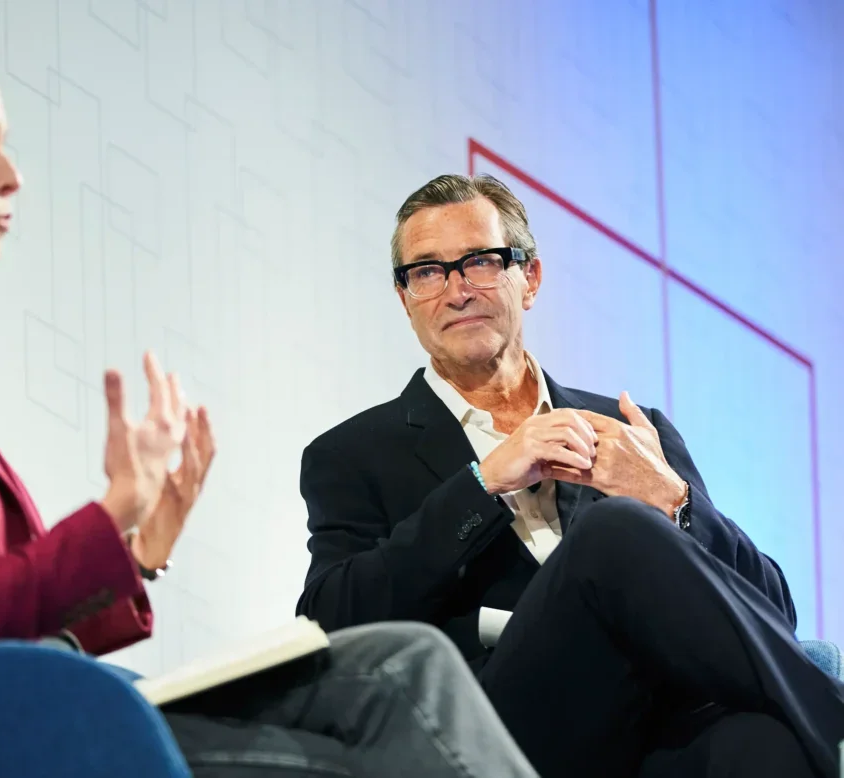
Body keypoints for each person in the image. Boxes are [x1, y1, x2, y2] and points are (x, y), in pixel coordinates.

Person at [0, 30, 538, 778]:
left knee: (403, 660)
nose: (12, 175)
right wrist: (114, 508)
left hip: (34, 696)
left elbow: (10, 634)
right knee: (382, 701)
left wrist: (139, 548)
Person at [295, 172, 844, 778]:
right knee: (612, 532)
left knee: (766, 741)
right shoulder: (352, 453)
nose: (455, 291)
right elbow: (331, 620)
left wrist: (670, 497)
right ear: (405, 299)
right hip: (505, 730)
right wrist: (482, 485)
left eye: (479, 261)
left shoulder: (633, 430)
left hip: (651, 730)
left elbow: (771, 613)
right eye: (426, 272)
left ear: (528, 278)